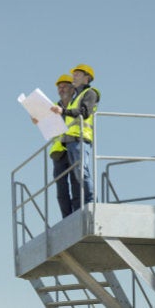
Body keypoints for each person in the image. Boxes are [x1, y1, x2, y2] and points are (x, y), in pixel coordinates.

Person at [51, 64, 100, 210]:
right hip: (67, 143)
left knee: (81, 174)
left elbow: (84, 112)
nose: (74, 76)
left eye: (77, 74)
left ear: (87, 78)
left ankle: (92, 205)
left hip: (80, 139)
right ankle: (75, 212)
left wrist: (63, 111)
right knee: (73, 180)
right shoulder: (75, 98)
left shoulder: (90, 93)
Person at [36, 74, 80, 218]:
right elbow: (47, 127)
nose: (61, 90)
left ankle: (78, 214)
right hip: (59, 151)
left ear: (73, 89)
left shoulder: (77, 104)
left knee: (76, 183)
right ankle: (67, 217)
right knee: (61, 188)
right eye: (59, 88)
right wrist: (37, 120)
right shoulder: (53, 108)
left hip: (75, 145)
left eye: (64, 86)